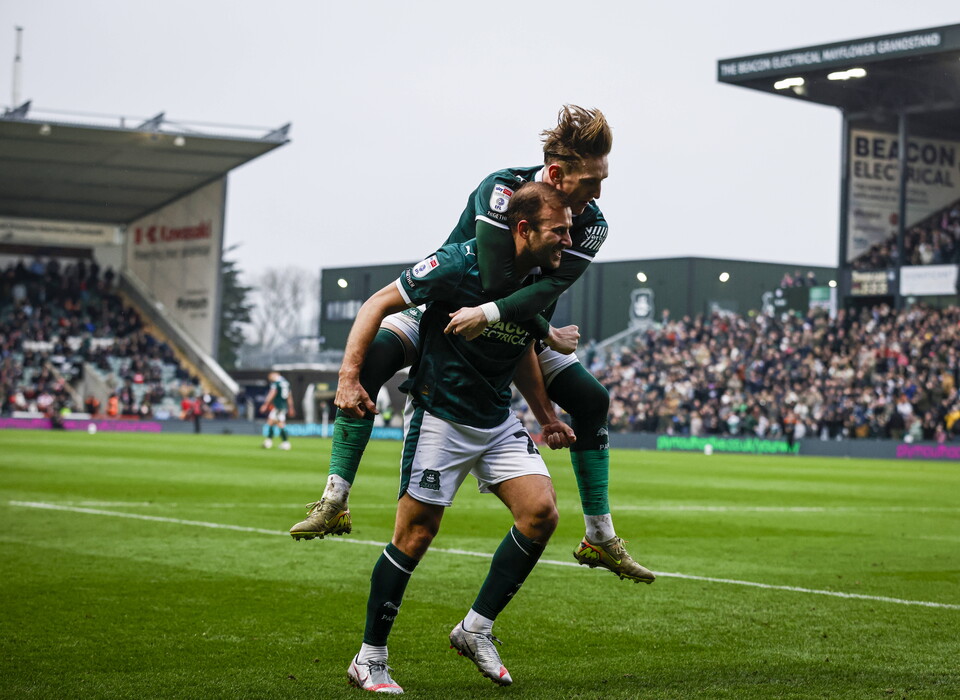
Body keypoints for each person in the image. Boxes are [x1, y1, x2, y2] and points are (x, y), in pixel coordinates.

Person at [292, 105, 655, 584]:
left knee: (592, 400)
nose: (598, 193)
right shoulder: (501, 189)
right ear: (555, 173)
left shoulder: (592, 224)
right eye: (590, 181)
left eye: (603, 180)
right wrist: (544, 330)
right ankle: (335, 500)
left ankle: (600, 537)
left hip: (512, 325)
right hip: (444, 309)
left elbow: (544, 291)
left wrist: (536, 341)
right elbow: (490, 276)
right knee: (369, 363)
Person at [341, 183, 580, 693]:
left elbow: (520, 347)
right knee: (415, 535)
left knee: (541, 514)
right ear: (523, 229)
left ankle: (476, 629)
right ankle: (369, 658)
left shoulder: (542, 283)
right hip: (441, 415)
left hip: (496, 419)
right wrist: (350, 377)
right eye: (559, 230)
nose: (569, 239)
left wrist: (546, 415)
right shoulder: (459, 264)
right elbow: (378, 302)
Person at [260, 371, 294, 450]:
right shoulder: (286, 383)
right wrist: (291, 407)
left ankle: (284, 443)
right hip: (283, 406)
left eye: (270, 377)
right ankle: (270, 441)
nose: (270, 379)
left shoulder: (276, 383)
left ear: (275, 375)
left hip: (278, 406)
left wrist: (265, 404)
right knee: (272, 422)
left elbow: (272, 393)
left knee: (279, 423)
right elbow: (289, 396)